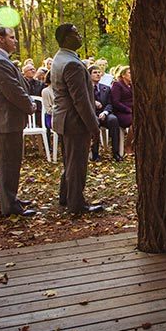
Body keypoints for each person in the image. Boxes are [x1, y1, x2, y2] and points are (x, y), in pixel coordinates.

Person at [0, 26, 37, 217]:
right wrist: (30, 106)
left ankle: (11, 198)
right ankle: (9, 205)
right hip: (5, 120)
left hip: (7, 120)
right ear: (1, 39)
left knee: (11, 162)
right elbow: (13, 91)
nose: (15, 41)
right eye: (12, 37)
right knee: (7, 163)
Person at [51, 24, 103, 214]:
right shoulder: (71, 63)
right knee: (77, 164)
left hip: (64, 119)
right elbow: (80, 100)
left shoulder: (60, 58)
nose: (80, 36)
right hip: (75, 121)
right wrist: (94, 126)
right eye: (75, 33)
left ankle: (66, 196)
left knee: (69, 162)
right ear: (65, 38)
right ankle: (76, 203)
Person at [89, 65, 122, 161]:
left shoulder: (106, 88)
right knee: (94, 122)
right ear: (89, 75)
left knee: (114, 120)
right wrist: (93, 102)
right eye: (95, 72)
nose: (98, 74)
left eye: (99, 72)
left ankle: (116, 152)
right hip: (91, 114)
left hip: (104, 113)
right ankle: (95, 154)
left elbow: (110, 103)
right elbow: (83, 102)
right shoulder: (85, 89)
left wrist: (105, 112)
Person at [111, 65, 134, 154]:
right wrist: (128, 109)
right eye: (129, 73)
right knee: (135, 122)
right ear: (123, 75)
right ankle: (127, 145)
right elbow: (116, 102)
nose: (132, 75)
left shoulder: (132, 85)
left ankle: (135, 144)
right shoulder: (117, 85)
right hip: (122, 112)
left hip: (133, 110)